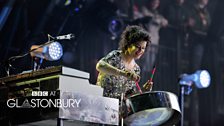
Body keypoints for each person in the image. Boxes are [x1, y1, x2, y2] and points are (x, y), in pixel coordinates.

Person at [96, 25, 153, 100]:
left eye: (143, 48)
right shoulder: (116, 56)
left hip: (118, 109)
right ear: (128, 44)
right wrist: (123, 73)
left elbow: (129, 96)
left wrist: (143, 91)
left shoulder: (136, 69)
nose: (140, 51)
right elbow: (100, 65)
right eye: (137, 46)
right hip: (102, 101)